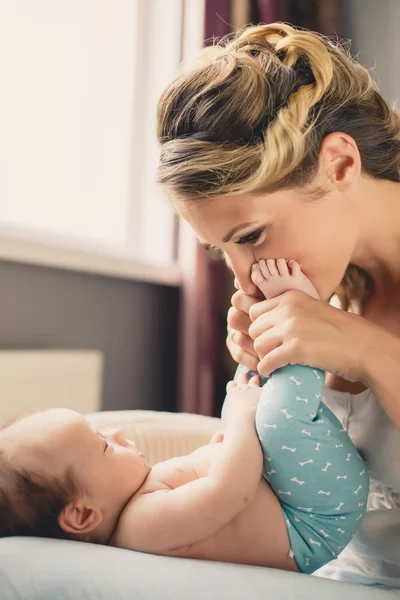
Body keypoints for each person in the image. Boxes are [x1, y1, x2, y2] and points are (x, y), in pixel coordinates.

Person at [156, 22, 400, 588]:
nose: (243, 276)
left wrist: (368, 351)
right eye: (221, 251)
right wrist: (273, 389)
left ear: (339, 164)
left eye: (251, 237)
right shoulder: (330, 283)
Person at [0, 260, 369, 574]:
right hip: (315, 518)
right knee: (273, 417)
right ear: (82, 515)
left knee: (242, 390)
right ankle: (306, 318)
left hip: (293, 498)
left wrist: (224, 438)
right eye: (103, 446)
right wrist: (241, 422)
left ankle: (279, 331)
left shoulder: (136, 503)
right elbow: (229, 494)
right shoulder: (141, 526)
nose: (116, 434)